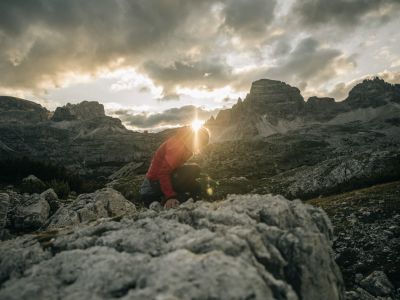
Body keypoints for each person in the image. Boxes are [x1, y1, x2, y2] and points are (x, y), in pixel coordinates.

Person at [140, 126, 210, 209]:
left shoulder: (185, 145)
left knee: (195, 180)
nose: (199, 147)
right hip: (152, 185)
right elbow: (163, 173)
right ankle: (159, 199)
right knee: (194, 170)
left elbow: (174, 168)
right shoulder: (177, 147)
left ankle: (194, 200)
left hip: (156, 182)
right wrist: (170, 197)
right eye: (201, 143)